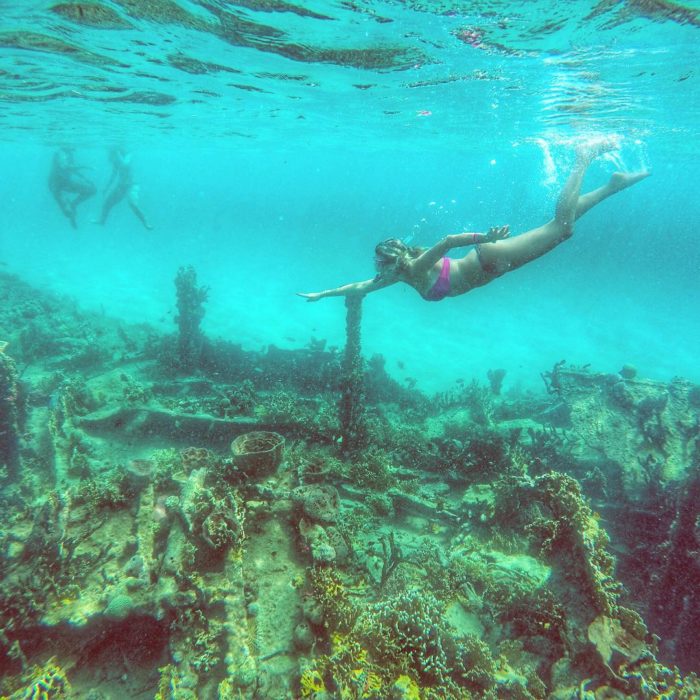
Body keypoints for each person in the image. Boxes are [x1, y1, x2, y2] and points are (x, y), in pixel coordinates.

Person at [298, 141, 649, 304]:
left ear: (396, 260)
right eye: (377, 265)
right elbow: (359, 287)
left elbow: (449, 241)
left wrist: (485, 236)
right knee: (557, 229)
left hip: (490, 257)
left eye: (380, 263)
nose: (377, 270)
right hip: (491, 262)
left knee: (561, 228)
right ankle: (611, 186)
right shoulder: (399, 275)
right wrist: (321, 294)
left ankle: (583, 157)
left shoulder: (417, 266)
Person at [94, 147, 153, 230]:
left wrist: (117, 152)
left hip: (131, 186)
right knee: (107, 203)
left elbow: (125, 164)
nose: (109, 156)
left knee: (133, 205)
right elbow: (113, 175)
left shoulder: (129, 155)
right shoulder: (116, 161)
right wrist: (106, 188)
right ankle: (102, 221)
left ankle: (145, 222)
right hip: (121, 186)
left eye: (110, 153)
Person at [48, 146, 97, 229]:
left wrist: (85, 179)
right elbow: (66, 166)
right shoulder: (60, 153)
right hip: (56, 185)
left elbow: (72, 169)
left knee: (92, 190)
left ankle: (73, 204)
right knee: (68, 212)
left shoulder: (69, 153)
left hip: (66, 183)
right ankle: (70, 209)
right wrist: (85, 166)